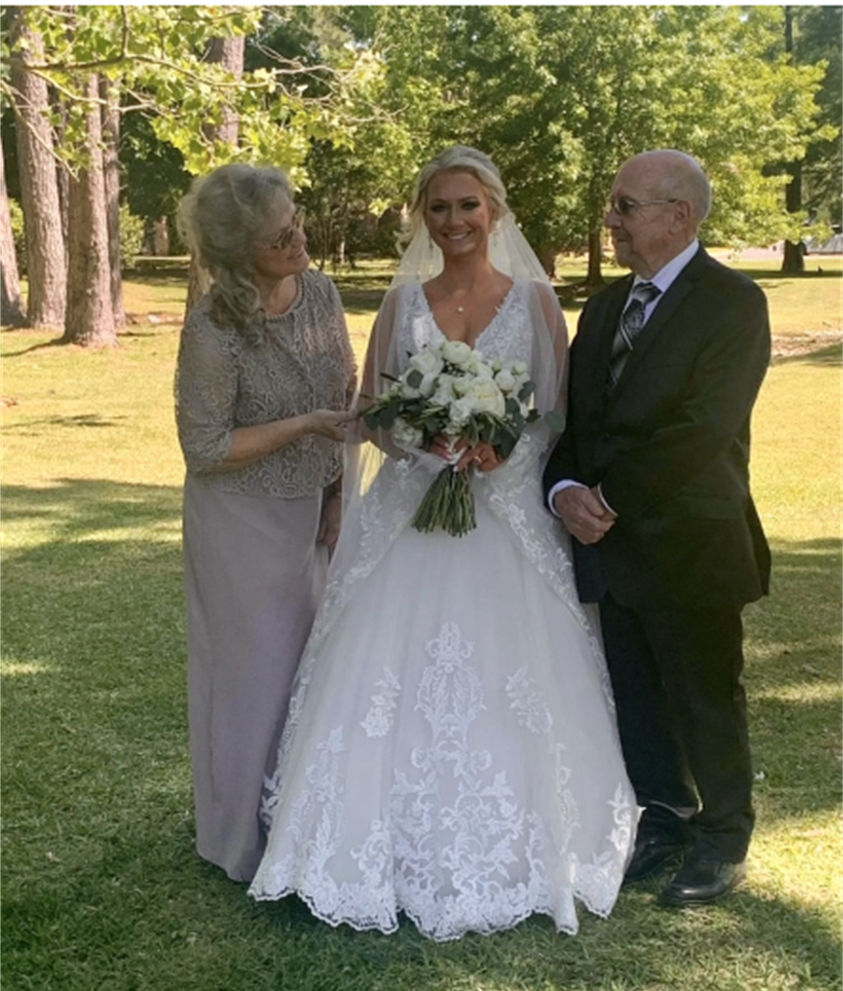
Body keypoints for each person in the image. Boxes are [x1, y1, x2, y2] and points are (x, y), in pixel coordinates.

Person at [248, 147, 636, 940]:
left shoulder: (533, 301)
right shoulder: (403, 302)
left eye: (467, 206)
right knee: (384, 676)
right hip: (410, 509)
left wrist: (501, 450)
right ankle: (360, 848)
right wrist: (426, 447)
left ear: (493, 209)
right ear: (421, 216)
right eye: (438, 208)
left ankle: (532, 847)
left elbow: (555, 412)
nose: (453, 222)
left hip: (506, 514)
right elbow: (373, 409)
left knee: (513, 675)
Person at [543, 150, 771, 908]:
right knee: (635, 693)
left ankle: (721, 837)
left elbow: (701, 428)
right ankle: (663, 819)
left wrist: (607, 494)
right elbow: (573, 417)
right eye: (612, 205)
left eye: (624, 206)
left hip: (690, 542)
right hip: (610, 545)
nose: (609, 220)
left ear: (680, 215)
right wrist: (565, 488)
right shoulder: (605, 307)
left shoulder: (733, 303)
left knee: (703, 694)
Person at [175, 163, 357, 881]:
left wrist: (338, 495)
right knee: (251, 676)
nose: (298, 238)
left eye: (297, 221)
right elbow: (205, 446)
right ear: (237, 248)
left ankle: (296, 819)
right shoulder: (213, 326)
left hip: (311, 505)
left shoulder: (320, 292)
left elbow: (342, 393)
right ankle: (238, 838)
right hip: (239, 521)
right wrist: (303, 425)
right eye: (280, 235)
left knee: (311, 668)